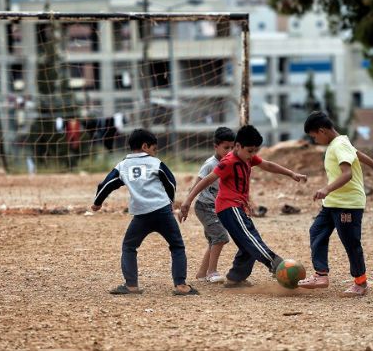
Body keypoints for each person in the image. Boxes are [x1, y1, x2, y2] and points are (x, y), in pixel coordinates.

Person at [179, 125, 307, 287]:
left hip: (238, 208)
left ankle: (235, 277)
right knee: (251, 237)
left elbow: (267, 164)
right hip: (228, 207)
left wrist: (291, 173)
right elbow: (207, 180)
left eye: (255, 151)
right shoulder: (228, 162)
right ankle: (274, 263)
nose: (253, 155)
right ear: (238, 146)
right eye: (250, 151)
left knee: (246, 243)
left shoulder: (247, 157)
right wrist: (187, 201)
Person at [91, 129, 198, 296]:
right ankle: (181, 285)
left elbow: (106, 184)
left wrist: (97, 202)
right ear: (145, 146)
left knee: (129, 246)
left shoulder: (123, 165)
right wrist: (170, 200)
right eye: (154, 149)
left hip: (141, 215)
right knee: (177, 246)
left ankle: (131, 285)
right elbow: (170, 182)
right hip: (162, 211)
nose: (155, 153)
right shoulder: (156, 163)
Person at [299, 111, 373, 296]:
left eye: (314, 136)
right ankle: (321, 275)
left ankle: (361, 283)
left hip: (347, 204)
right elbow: (357, 153)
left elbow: (347, 174)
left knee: (350, 242)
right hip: (332, 203)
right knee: (316, 231)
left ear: (322, 131)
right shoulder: (341, 142)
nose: (315, 140)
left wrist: (326, 189)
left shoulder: (338, 144)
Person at [189, 127, 235, 283]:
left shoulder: (230, 162)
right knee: (221, 237)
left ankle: (202, 273)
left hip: (217, 208)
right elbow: (198, 183)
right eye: (226, 148)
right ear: (216, 146)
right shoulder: (210, 164)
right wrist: (187, 202)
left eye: (232, 147)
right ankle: (212, 272)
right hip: (204, 207)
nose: (229, 151)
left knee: (214, 240)